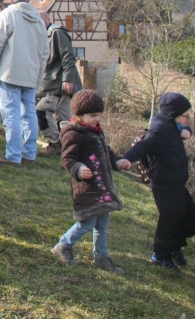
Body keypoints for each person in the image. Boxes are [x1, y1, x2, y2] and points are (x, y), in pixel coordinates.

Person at [51, 89, 131, 274]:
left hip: (102, 189)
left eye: (98, 115)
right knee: (87, 223)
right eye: (92, 115)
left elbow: (106, 152)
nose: (97, 119)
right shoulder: (73, 134)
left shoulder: (96, 132)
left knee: (102, 225)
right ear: (78, 115)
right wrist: (78, 169)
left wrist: (117, 161)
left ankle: (101, 257)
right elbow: (67, 159)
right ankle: (63, 246)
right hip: (87, 189)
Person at [123, 92, 195, 270]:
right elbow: (143, 146)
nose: (187, 119)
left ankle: (174, 247)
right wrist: (127, 159)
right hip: (164, 185)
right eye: (185, 116)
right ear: (173, 114)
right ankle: (160, 255)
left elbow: (186, 129)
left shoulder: (173, 126)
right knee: (169, 221)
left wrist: (186, 129)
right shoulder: (158, 130)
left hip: (177, 184)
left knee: (191, 218)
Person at [0, 0, 49, 165]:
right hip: (30, 75)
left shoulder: (7, 15)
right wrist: (38, 77)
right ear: (29, 0)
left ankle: (13, 155)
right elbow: (45, 53)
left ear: (12, 0)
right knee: (29, 113)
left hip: (8, 74)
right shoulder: (39, 20)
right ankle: (29, 153)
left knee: (11, 114)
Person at [36, 11, 82, 155]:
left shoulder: (56, 33)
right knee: (64, 118)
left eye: (39, 20)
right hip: (55, 83)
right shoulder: (45, 35)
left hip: (57, 83)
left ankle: (55, 144)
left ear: (47, 19)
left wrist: (67, 78)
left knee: (41, 111)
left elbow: (68, 56)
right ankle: (70, 146)